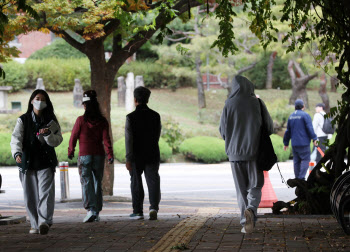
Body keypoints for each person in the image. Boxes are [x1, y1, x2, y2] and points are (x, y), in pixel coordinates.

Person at [219, 76, 274, 234]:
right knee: (255, 185)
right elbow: (269, 127)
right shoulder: (256, 102)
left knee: (241, 190)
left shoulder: (228, 104)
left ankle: (246, 224)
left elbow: (222, 131)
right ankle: (251, 209)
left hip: (234, 154)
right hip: (254, 153)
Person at [10, 89, 63, 235]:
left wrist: (48, 136)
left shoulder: (51, 121)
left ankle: (44, 222)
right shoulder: (23, 119)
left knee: (45, 193)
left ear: (47, 103)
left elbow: (57, 141)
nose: (40, 101)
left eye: (43, 99)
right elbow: (16, 138)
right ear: (32, 100)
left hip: (46, 162)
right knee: (30, 195)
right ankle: (34, 224)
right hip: (27, 163)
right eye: (37, 98)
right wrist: (17, 153)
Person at [68, 90, 114, 223]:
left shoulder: (80, 120)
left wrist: (71, 151)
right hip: (99, 156)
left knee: (86, 182)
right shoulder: (103, 121)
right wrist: (110, 155)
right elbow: (107, 139)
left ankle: (90, 210)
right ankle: (97, 211)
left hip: (84, 156)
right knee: (97, 183)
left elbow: (73, 137)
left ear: (85, 106)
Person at [125, 86, 161, 220]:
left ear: (135, 100)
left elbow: (129, 140)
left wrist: (128, 158)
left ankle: (138, 211)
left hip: (136, 155)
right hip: (152, 152)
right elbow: (157, 135)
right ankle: (153, 207)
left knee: (136, 181)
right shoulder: (156, 116)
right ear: (148, 99)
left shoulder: (130, 117)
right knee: (153, 180)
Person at [283, 99, 317, 180]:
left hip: (294, 143)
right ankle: (301, 178)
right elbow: (310, 128)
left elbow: (288, 131)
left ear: (295, 107)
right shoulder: (305, 115)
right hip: (304, 143)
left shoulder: (291, 116)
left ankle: (297, 177)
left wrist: (286, 143)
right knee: (305, 159)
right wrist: (314, 138)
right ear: (303, 106)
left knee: (296, 161)